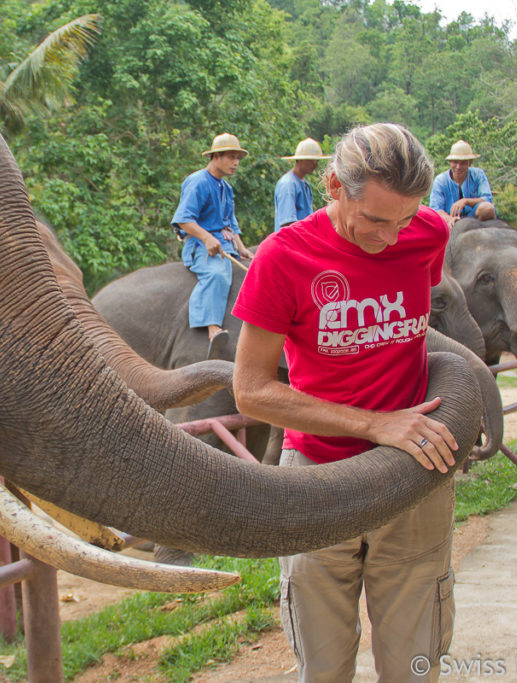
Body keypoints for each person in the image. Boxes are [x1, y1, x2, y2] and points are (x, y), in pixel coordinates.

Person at [232, 123, 458, 682]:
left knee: (414, 665)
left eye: (404, 220)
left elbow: (412, 324)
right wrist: (375, 423)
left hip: (413, 476)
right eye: (377, 220)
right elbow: (251, 390)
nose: (390, 238)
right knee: (324, 669)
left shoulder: (427, 234)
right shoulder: (283, 257)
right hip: (317, 481)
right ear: (334, 185)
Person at [172, 132, 254, 359]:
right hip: (200, 246)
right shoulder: (197, 182)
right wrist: (207, 237)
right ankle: (211, 327)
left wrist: (242, 247)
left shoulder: (226, 188)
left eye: (238, 158)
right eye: (230, 157)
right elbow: (183, 219)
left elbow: (231, 223)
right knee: (217, 274)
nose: (236, 163)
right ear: (215, 157)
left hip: (225, 246)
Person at [429, 139, 496, 227]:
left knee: (487, 209)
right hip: (449, 220)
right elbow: (435, 208)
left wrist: (466, 201)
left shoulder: (478, 174)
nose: (458, 167)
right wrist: (449, 218)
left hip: (474, 217)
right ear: (450, 162)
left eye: (463, 163)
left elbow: (487, 199)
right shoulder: (440, 181)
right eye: (455, 162)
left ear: (470, 163)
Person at [274, 137, 330, 231]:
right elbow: (288, 224)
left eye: (317, 161)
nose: (315, 165)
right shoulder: (288, 184)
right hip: (289, 242)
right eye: (312, 161)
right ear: (301, 160)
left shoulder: (305, 185)